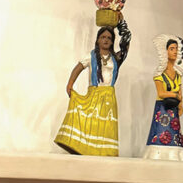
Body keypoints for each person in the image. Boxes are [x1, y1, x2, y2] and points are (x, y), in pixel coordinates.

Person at [54, 18, 131, 156]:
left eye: (109, 37)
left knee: (106, 126)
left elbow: (126, 41)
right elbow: (78, 67)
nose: (106, 40)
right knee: (90, 122)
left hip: (109, 98)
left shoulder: (116, 58)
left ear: (112, 41)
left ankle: (104, 153)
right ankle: (84, 149)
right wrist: (70, 83)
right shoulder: (91, 56)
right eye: (103, 37)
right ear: (97, 40)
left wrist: (121, 22)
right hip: (94, 95)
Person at [143, 35, 183, 162]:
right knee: (161, 132)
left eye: (176, 49)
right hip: (162, 107)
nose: (174, 51)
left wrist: (180, 104)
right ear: (166, 51)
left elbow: (180, 92)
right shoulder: (159, 74)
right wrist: (175, 95)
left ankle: (174, 155)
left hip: (174, 109)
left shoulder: (178, 75)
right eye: (172, 48)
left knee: (174, 133)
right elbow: (161, 93)